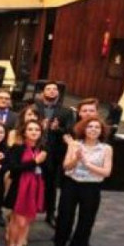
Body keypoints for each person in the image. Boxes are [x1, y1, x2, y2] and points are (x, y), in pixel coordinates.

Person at [50, 117, 113, 246]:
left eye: (97, 127)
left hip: (91, 188)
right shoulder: (75, 145)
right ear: (84, 129)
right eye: (90, 127)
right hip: (72, 185)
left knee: (85, 222)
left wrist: (87, 164)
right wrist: (76, 160)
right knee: (64, 217)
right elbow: (66, 166)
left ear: (101, 131)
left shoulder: (106, 148)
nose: (93, 130)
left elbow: (106, 172)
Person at [3, 120, 47, 246]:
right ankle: (11, 245)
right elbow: (13, 169)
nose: (34, 132)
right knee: (17, 220)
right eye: (30, 129)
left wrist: (41, 163)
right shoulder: (17, 148)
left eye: (37, 130)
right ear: (24, 132)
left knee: (27, 221)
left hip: (36, 188)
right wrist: (34, 162)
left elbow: (49, 171)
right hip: (19, 187)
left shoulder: (44, 150)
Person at [35, 82, 74, 227]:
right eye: (48, 89)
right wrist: (40, 126)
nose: (52, 91)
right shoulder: (33, 108)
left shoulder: (66, 112)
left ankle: (50, 214)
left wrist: (57, 129)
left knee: (51, 185)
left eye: (54, 89)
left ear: (58, 93)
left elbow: (70, 132)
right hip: (34, 150)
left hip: (54, 154)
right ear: (42, 92)